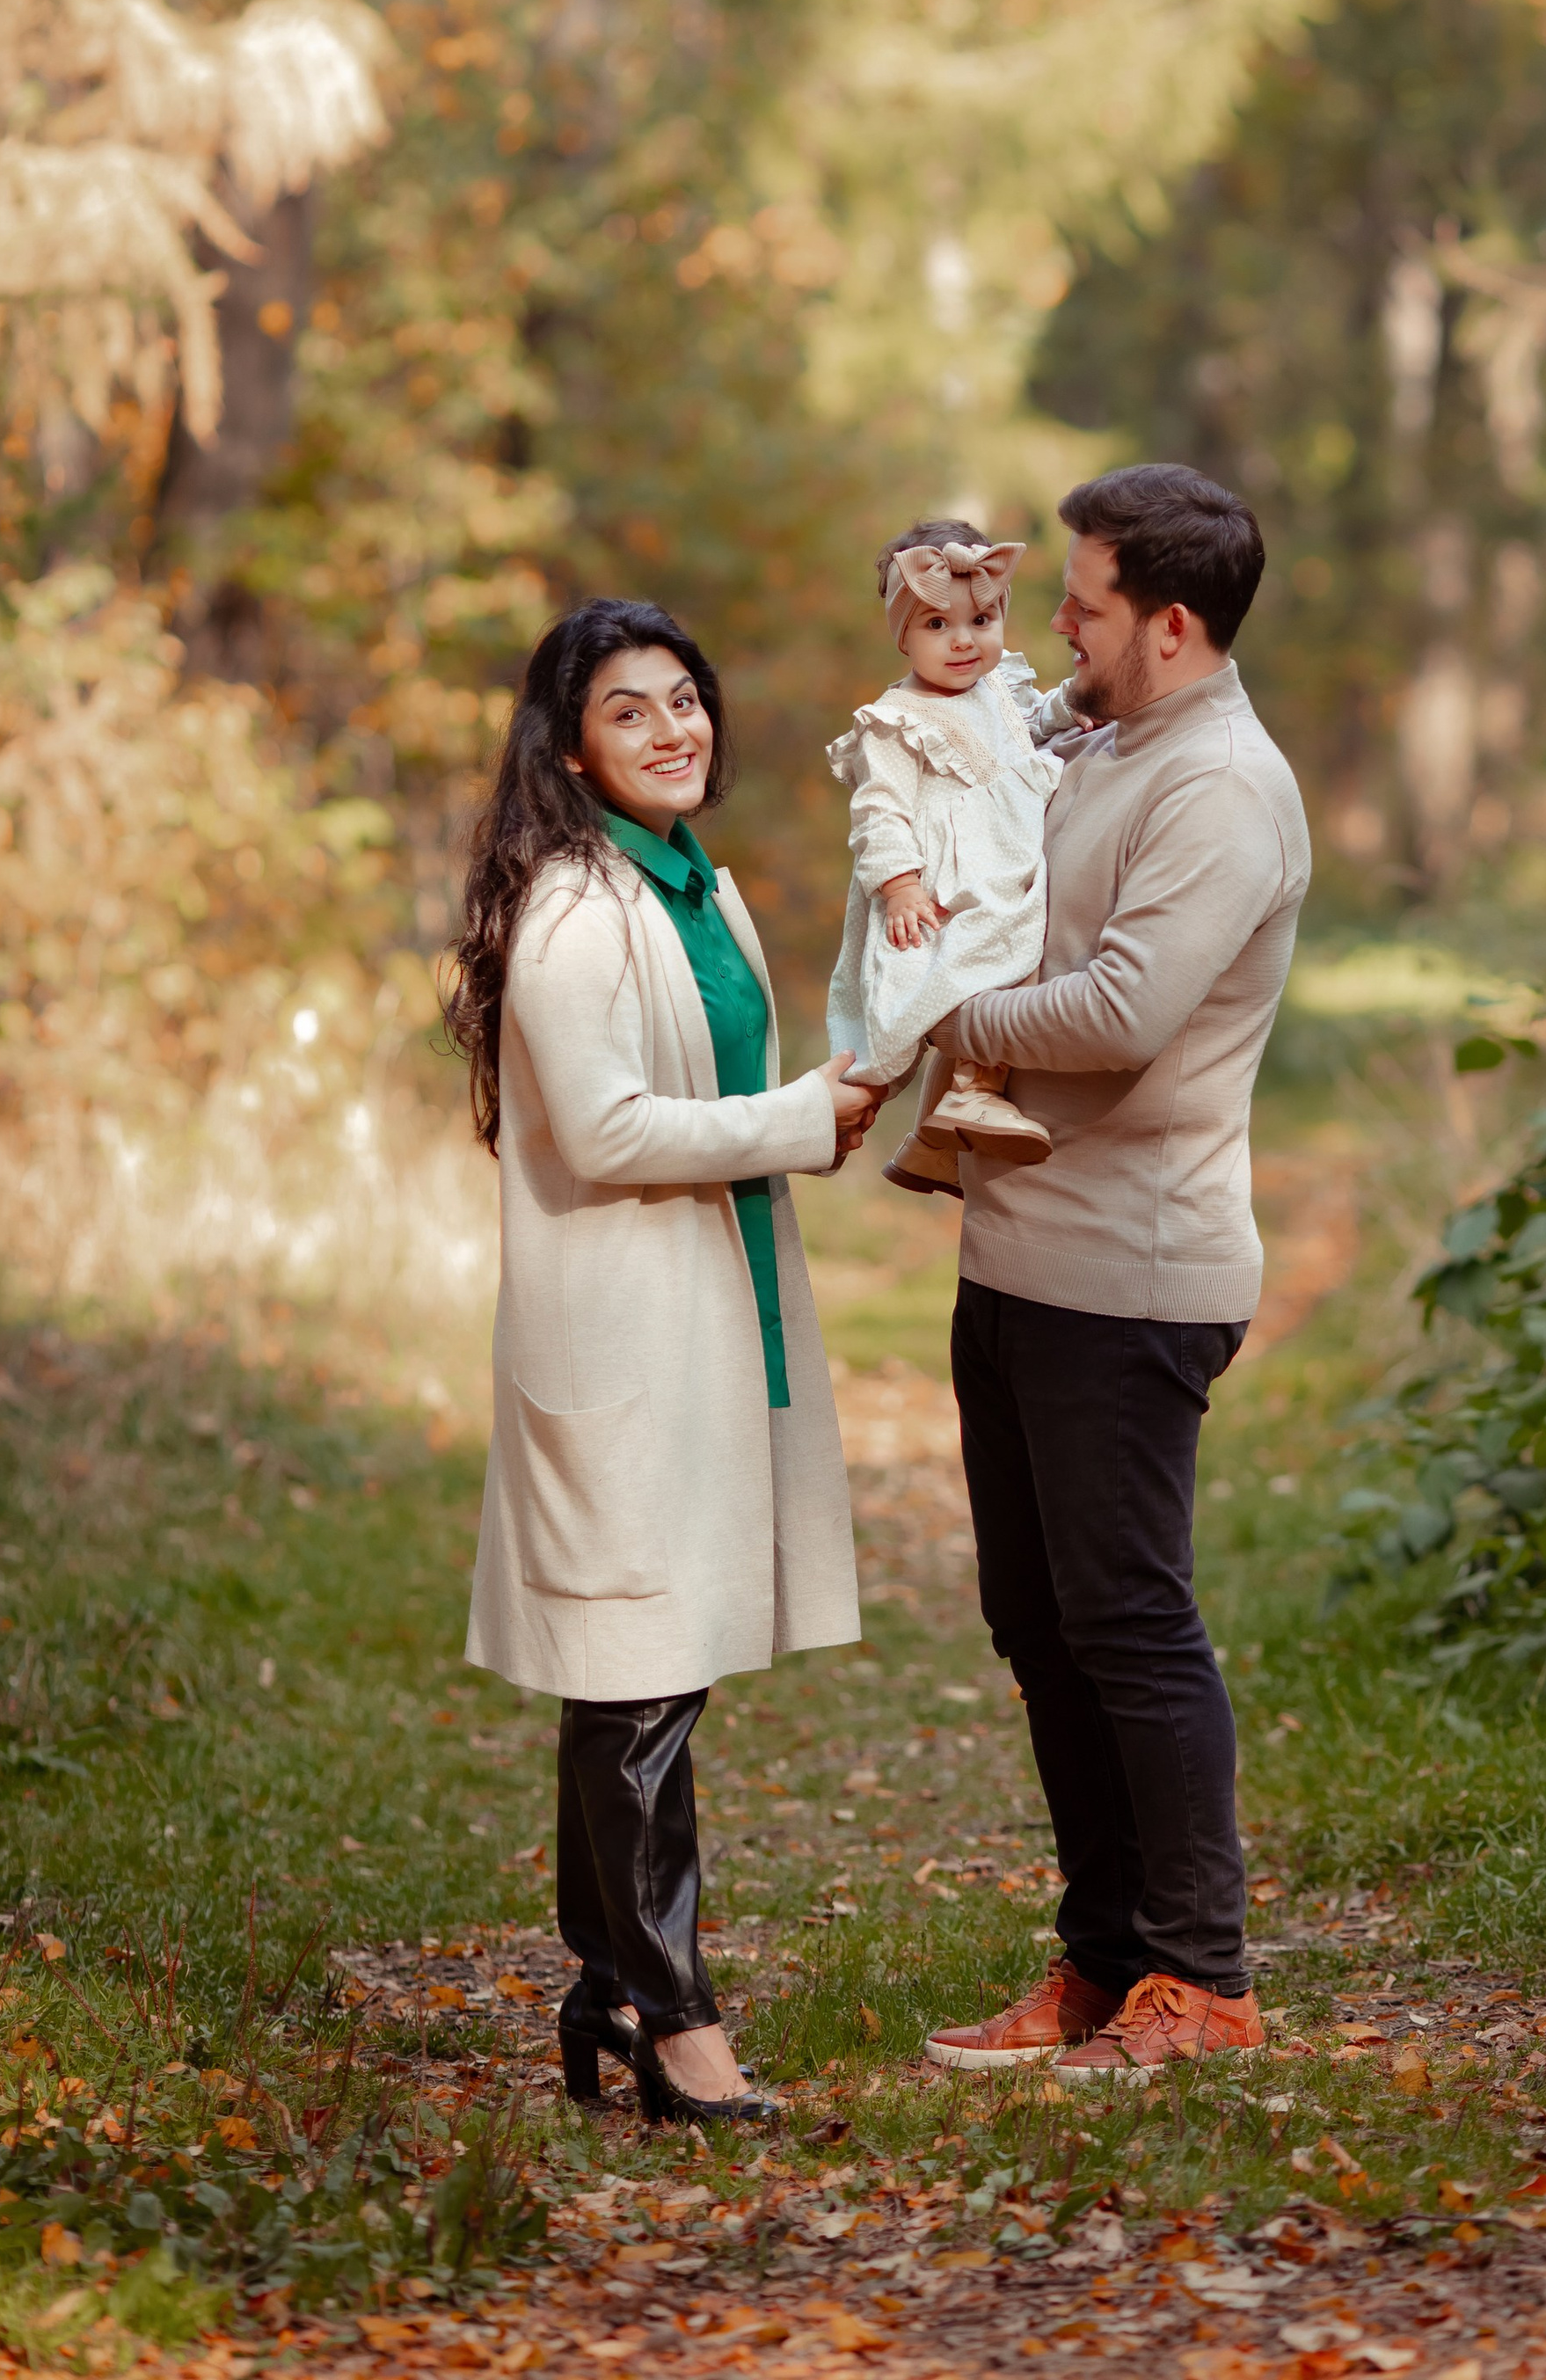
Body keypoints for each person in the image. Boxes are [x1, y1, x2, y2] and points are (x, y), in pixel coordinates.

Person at [447, 597, 878, 2129]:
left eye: (684, 699)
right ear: (569, 745)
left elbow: (731, 1081)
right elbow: (610, 1125)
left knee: (651, 1667)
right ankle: (673, 2022)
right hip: (624, 1324)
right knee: (635, 1675)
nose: (672, 728)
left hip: (714, 1304)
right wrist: (799, 1120)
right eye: (630, 711)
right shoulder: (570, 903)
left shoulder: (701, 885)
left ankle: (605, 1985)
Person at [917, 463, 1311, 2082]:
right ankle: (1102, 1964)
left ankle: (1204, 1981)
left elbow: (1123, 1014)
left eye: (1082, 601)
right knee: (1040, 1620)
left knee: (1130, 1625)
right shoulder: (1106, 734)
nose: (1055, 622)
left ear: (1171, 623)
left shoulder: (1220, 784)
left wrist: (950, 1007)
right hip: (1020, 1250)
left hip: (1135, 1275)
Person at [824, 521, 1079, 1188]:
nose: (964, 640)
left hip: (1006, 855)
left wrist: (1073, 706)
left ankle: (938, 1133)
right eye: (937, 624)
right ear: (902, 635)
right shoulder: (896, 719)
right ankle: (965, 1093)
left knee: (1009, 961)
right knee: (978, 966)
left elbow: (1030, 725)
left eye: (982, 618)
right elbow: (879, 809)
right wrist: (901, 885)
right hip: (950, 875)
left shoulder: (997, 687)